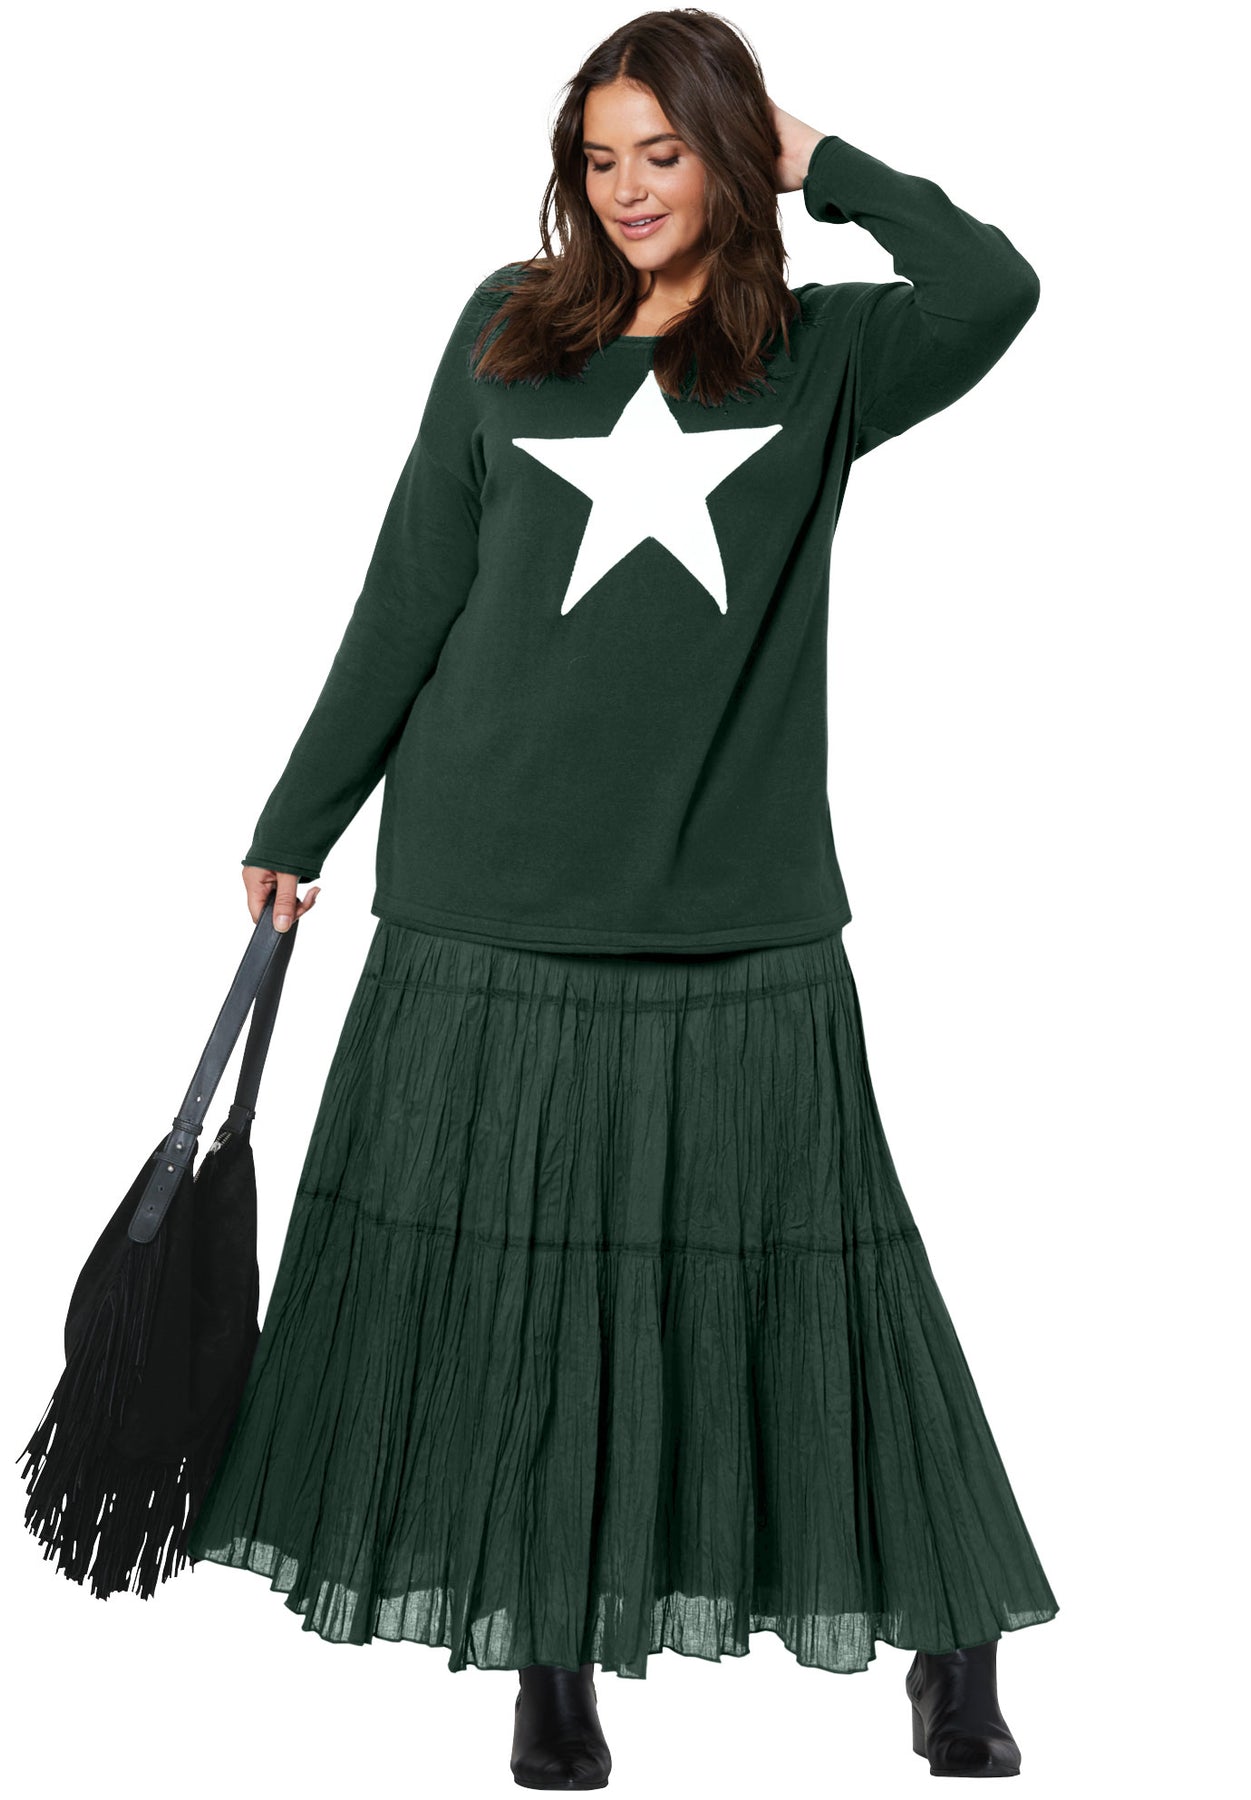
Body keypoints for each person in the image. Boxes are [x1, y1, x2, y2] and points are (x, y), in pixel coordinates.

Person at [186, 7, 1058, 1787]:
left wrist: (823, 162)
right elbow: (413, 586)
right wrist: (303, 811)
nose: (630, 189)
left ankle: (950, 1641)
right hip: (483, 901)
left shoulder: (826, 353)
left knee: (824, 1286)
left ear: (732, 151)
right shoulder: (507, 330)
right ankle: (550, 1660)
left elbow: (996, 287)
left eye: (666, 151)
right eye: (601, 159)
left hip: (735, 912)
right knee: (521, 1298)